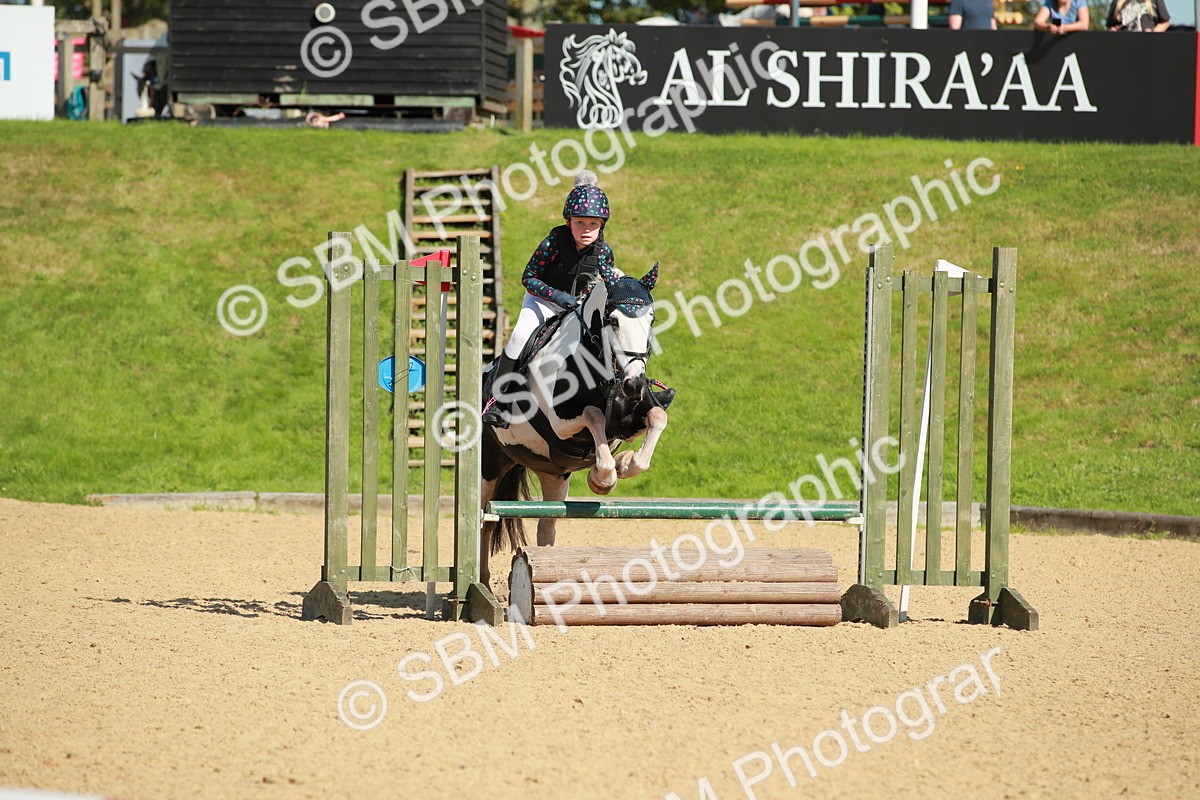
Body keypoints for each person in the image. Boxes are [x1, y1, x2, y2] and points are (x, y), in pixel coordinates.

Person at [481, 171, 671, 429]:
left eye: (593, 223)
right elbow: (529, 277)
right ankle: (499, 402)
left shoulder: (604, 253)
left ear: (602, 225)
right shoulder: (553, 243)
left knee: (616, 339)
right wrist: (559, 297)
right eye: (580, 222)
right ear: (568, 222)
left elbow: (607, 288)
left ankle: (640, 398)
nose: (586, 229)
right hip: (542, 302)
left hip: (578, 308)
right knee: (518, 337)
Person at [1106, 0, 1171, 30]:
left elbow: (1165, 22)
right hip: (1124, 45)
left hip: (1147, 45)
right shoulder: (1117, 2)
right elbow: (1110, 26)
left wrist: (1153, 32)